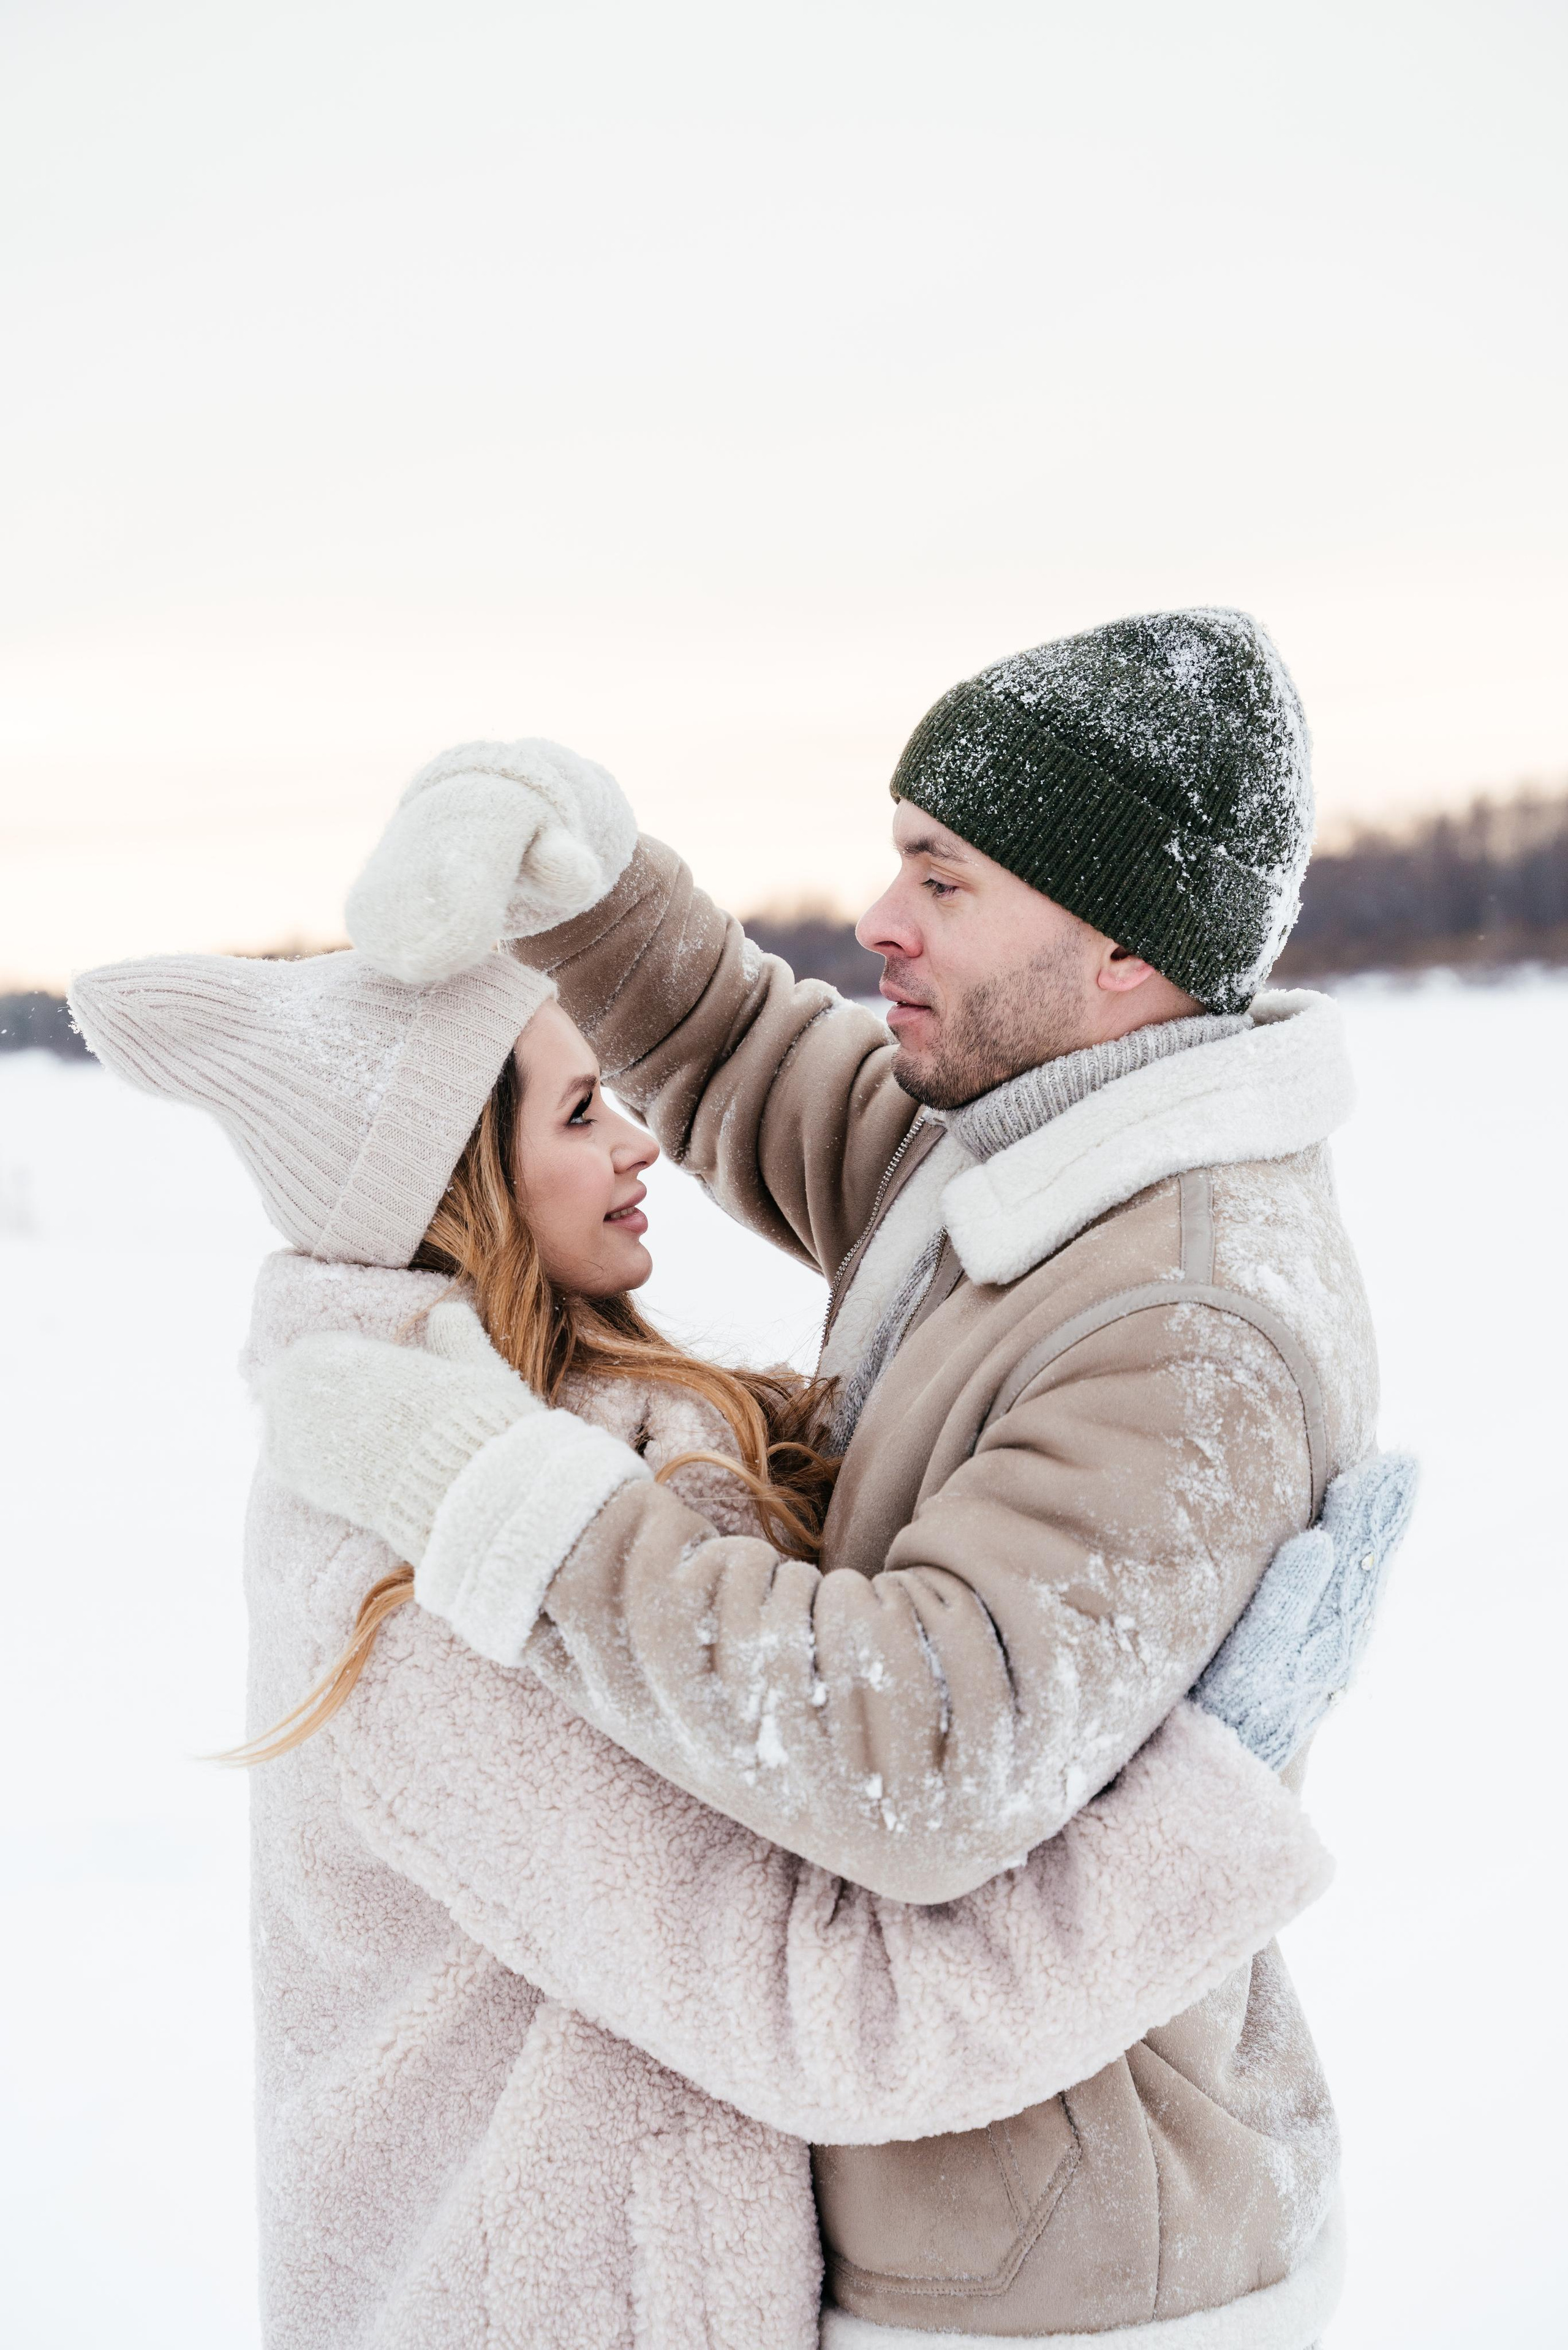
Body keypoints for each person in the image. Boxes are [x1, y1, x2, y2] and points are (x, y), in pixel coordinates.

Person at [67, 695, 1380, 2350]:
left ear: (1118, 951)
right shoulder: (419, 1577)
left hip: (977, 2279)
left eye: (944, 879)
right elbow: (826, 2010)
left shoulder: (1145, 1296)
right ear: (449, 1196)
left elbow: (899, 1769)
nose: (643, 1141)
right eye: (573, 1111)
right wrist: (1221, 1802)